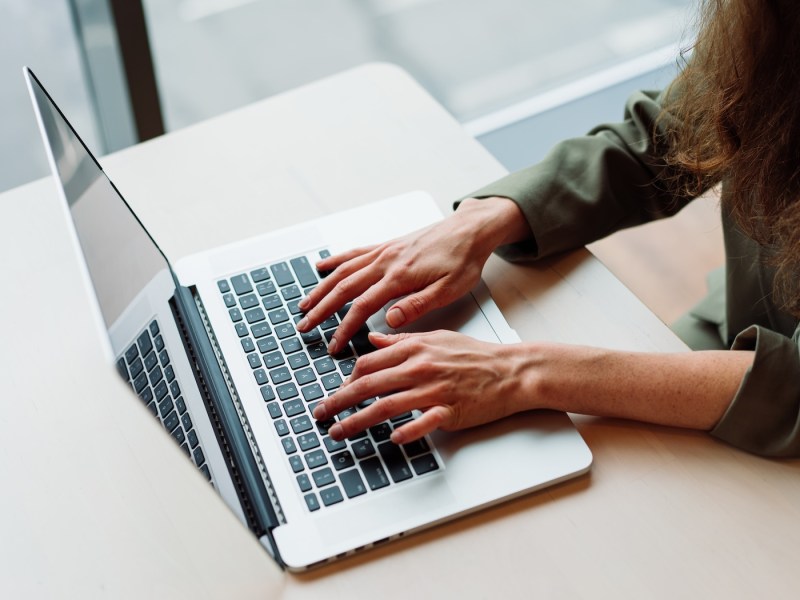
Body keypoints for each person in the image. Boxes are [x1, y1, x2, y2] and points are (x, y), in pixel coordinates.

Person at [296, 0, 800, 458]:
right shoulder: (772, 22)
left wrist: (520, 371)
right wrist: (485, 219)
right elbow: (672, 132)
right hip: (739, 321)